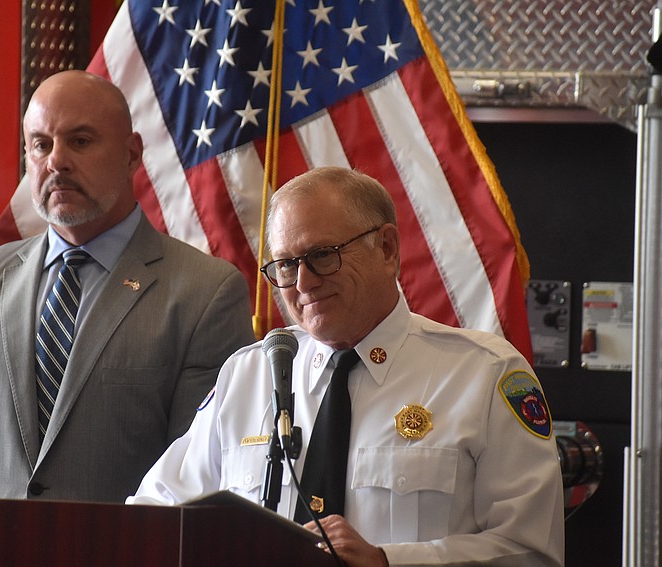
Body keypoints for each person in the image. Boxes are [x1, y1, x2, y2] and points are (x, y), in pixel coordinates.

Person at [128, 167, 564, 566]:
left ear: (387, 248)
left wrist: (386, 562)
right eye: (285, 265)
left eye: (322, 255)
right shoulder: (251, 374)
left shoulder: (484, 374)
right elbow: (155, 513)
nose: (303, 283)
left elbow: (531, 552)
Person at [0, 70, 255, 503]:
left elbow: (204, 479)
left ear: (132, 154)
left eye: (80, 141)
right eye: (41, 145)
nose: (56, 162)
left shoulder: (205, 294)